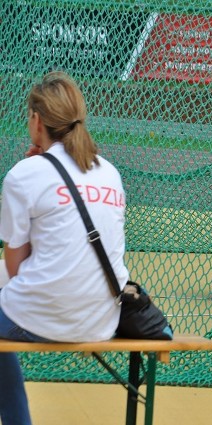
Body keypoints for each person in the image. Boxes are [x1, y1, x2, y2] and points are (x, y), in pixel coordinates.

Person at [0, 71, 129, 425]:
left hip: (43, 320)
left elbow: (14, 267)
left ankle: (17, 420)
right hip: (103, 319)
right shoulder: (110, 172)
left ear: (37, 120)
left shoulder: (24, 174)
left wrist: (32, 166)